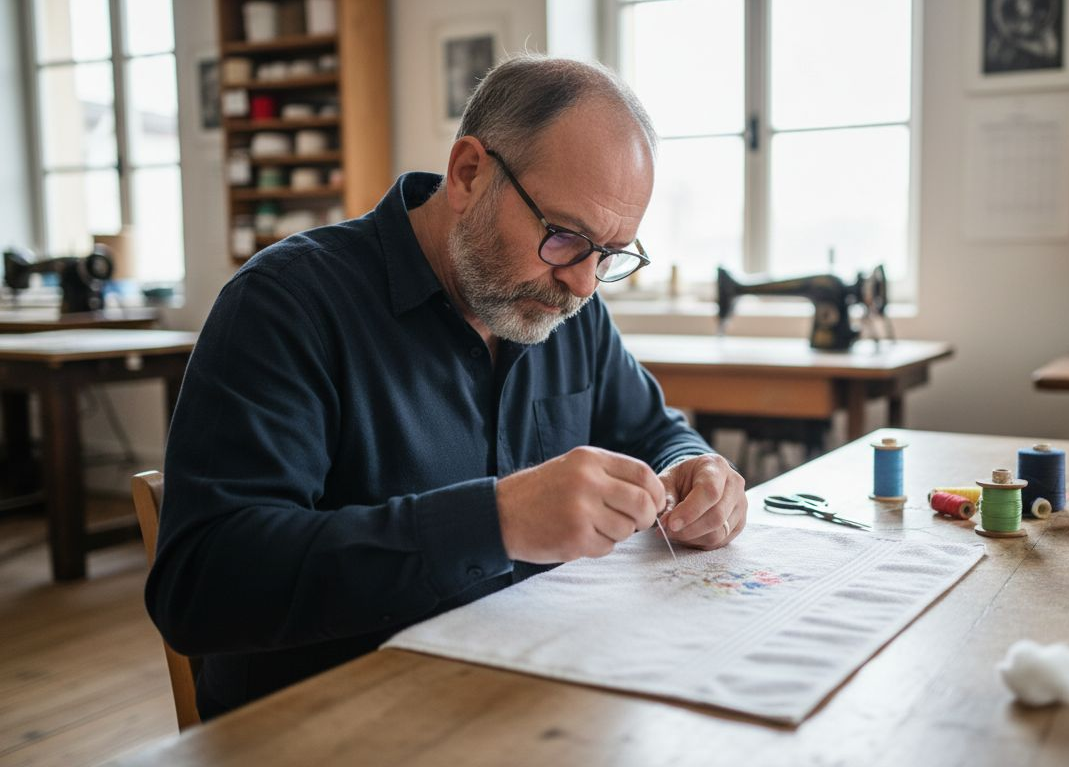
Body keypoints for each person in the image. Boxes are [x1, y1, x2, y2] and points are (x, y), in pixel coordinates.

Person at [146, 55, 747, 720]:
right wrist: (497, 522)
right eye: (564, 238)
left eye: (610, 254)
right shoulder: (286, 306)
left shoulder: (572, 312)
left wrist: (692, 466)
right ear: (468, 174)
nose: (582, 282)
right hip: (335, 728)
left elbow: (653, 430)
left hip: (528, 697)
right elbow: (202, 588)